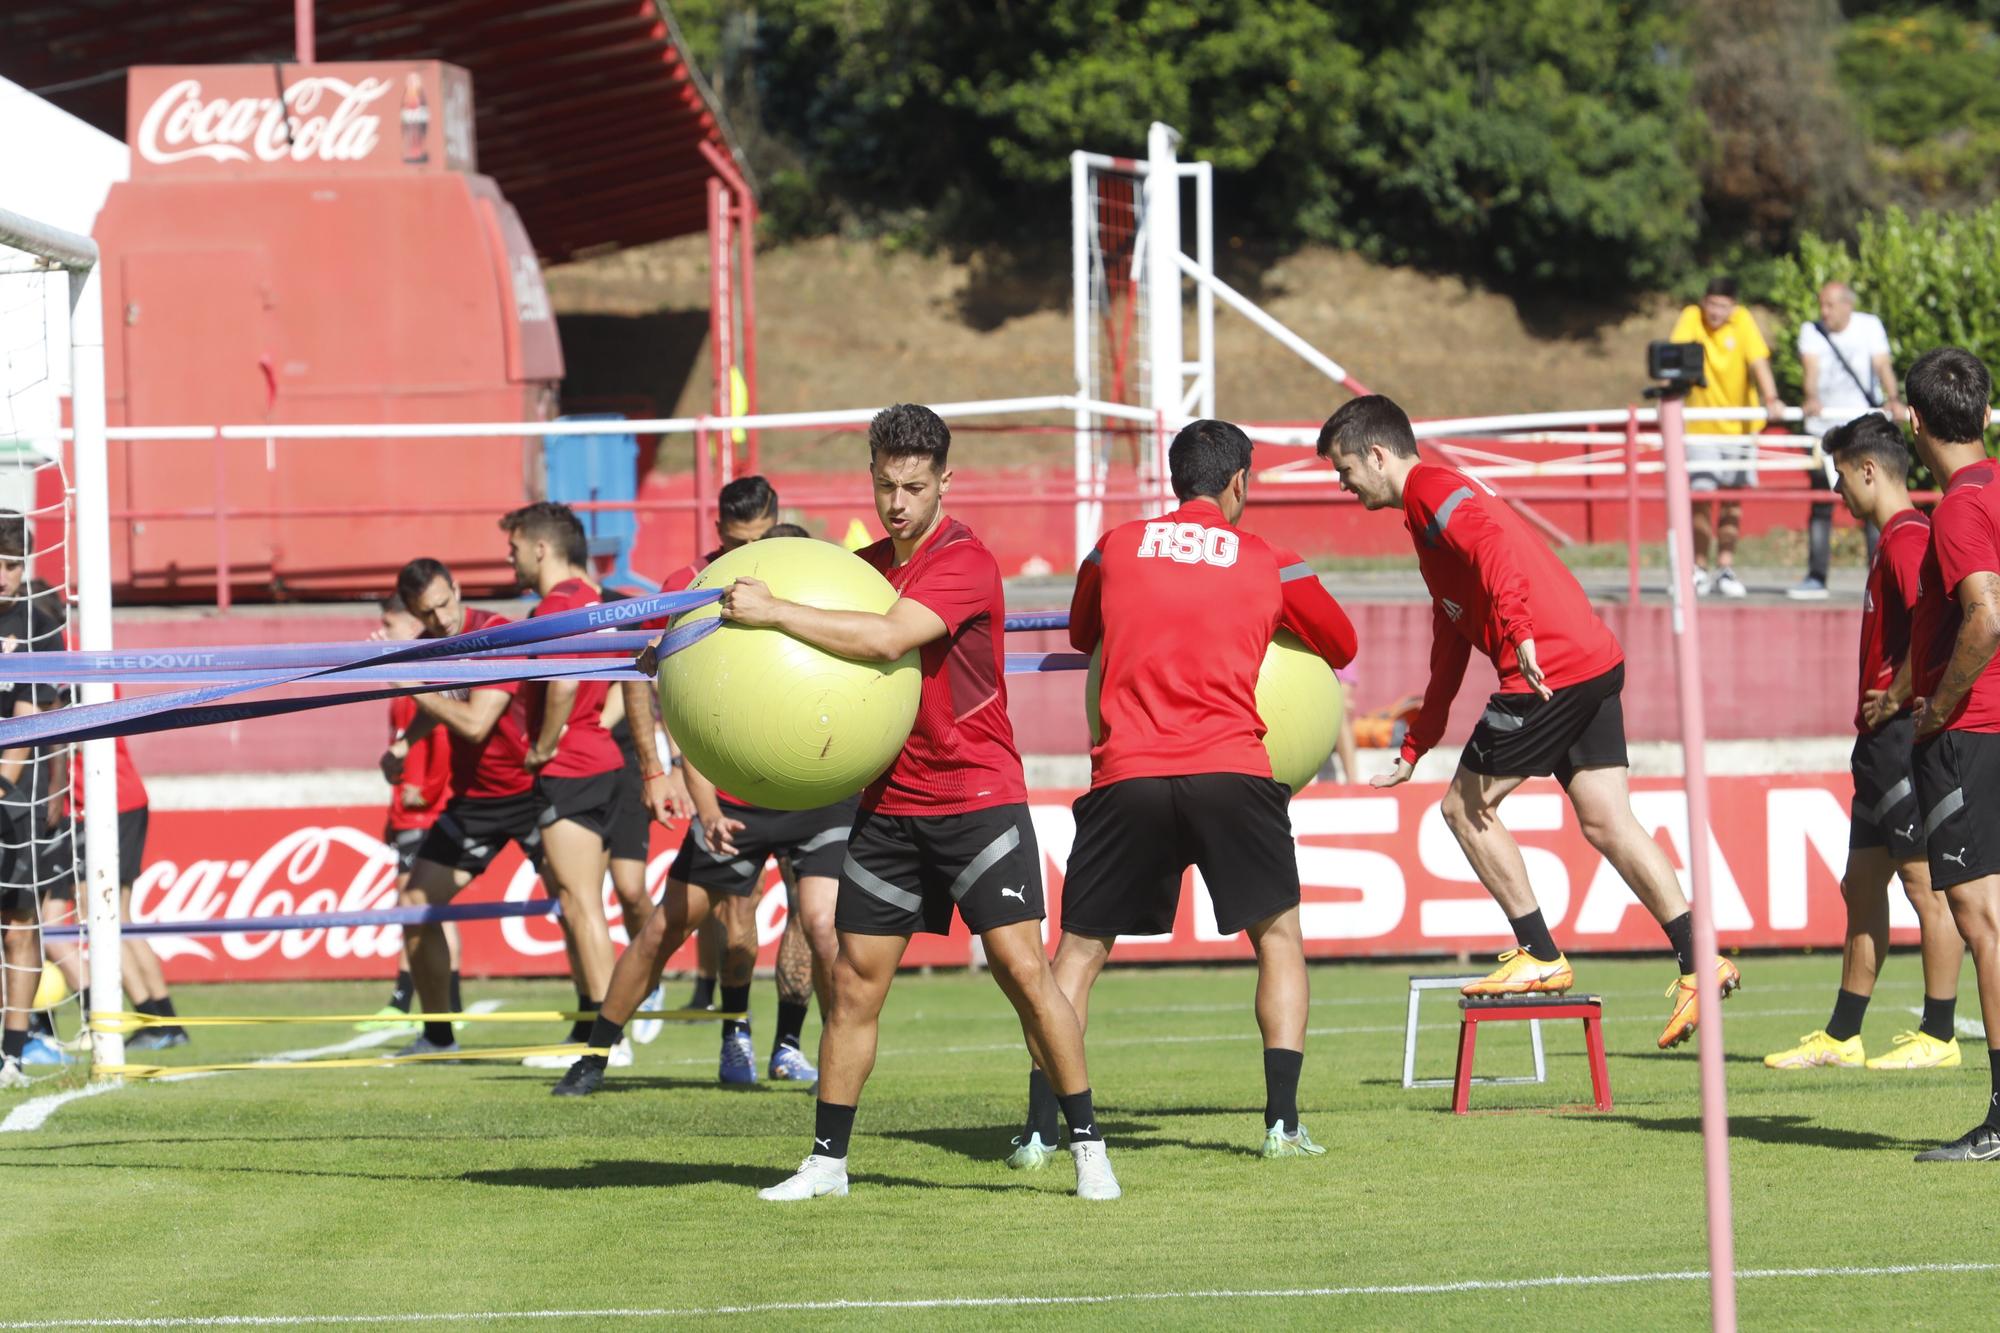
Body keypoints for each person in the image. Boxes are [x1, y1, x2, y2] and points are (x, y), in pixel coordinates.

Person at [719, 402, 1114, 1200]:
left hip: (977, 799)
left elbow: (885, 637)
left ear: (944, 482)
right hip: (890, 806)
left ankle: (1088, 1145)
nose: (898, 502)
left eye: (914, 486)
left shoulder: (964, 560)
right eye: (886, 484)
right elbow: (807, 632)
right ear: (870, 475)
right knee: (855, 982)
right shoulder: (863, 568)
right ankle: (827, 1161)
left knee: (1023, 972)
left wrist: (774, 609)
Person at [1317, 396, 1741, 1049]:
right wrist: (1418, 740)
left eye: (1345, 469)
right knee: (1607, 818)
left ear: (1378, 454)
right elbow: (1451, 633)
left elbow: (1491, 548)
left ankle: (1539, 951)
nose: (1343, 485)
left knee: (1463, 810)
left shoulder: (1432, 488)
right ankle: (1699, 958)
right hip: (1589, 660)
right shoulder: (1426, 516)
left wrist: (1520, 636)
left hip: (1548, 669)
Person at [1010, 419, 1357, 1167]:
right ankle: (1282, 1124)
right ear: (1238, 483)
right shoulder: (1272, 559)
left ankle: (1042, 1130)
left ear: (1175, 479)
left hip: (1129, 771)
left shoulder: (1114, 545)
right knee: (1277, 941)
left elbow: (1079, 633)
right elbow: (1343, 644)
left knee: (1077, 954)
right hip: (1232, 769)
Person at [1766, 413, 1963, 1070]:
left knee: (1925, 883)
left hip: (1902, 736)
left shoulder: (1909, 538)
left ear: (1869, 470)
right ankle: (1843, 1033)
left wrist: (1900, 692)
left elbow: (1934, 628)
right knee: (1863, 884)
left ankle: (1939, 1034)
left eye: (1842, 476)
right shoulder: (1894, 539)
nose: (1839, 493)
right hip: (1878, 742)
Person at [1898, 347, 2000, 1160]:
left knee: (1981, 917)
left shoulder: (1960, 507)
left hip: (1972, 731)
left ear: (1914, 421)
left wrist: (1938, 704)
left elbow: (1985, 617)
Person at [499, 502, 643, 1071]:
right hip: (603, 762)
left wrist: (544, 744)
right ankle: (596, 1027)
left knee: (583, 905)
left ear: (540, 548)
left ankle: (608, 1039)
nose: (510, 560)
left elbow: (559, 683)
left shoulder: (557, 607)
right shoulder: (598, 603)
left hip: (569, 769)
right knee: (578, 902)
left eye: (513, 550)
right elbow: (619, 683)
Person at [651, 476, 779, 1017]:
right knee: (726, 908)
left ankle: (790, 1041)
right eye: (736, 544)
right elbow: (652, 679)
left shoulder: (806, 573)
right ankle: (730, 1021)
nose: (749, 556)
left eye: (761, 540)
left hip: (801, 766)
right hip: (720, 772)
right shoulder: (684, 585)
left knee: (819, 920)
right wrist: (664, 765)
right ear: (718, 531)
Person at [358, 594, 461, 1033]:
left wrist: (428, 791)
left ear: (412, 627)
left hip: (425, 811)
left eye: (388, 625)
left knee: (419, 906)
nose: (378, 633)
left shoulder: (421, 677)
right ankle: (430, 1006)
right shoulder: (403, 680)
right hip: (408, 811)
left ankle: (412, 1003)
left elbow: (443, 730)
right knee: (422, 907)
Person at [1669, 277, 1787, 598]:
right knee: (1702, 501)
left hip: (1739, 429)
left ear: (1732, 306)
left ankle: (1725, 566)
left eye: (1724, 305)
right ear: (1703, 301)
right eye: (1712, 303)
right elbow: (1675, 357)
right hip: (1700, 429)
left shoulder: (1743, 321)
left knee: (1733, 502)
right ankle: (1698, 568)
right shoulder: (1691, 318)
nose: (1717, 311)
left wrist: (1772, 397)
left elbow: (1758, 361)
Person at [0, 513, 64, 1086]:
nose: (3, 575)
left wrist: (5, 781)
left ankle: (12, 1053)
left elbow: (37, 713)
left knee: (19, 924)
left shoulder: (39, 625)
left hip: (13, 797)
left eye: (14, 564)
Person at [1793, 283, 1902, 600]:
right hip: (1824, 430)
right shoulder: (1811, 331)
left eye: (1830, 305)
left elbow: (1882, 365)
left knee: (1874, 503)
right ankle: (1816, 576)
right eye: (1821, 305)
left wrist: (1893, 398)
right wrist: (1810, 397)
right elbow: (1810, 369)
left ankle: (1879, 573)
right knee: (1821, 503)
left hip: (1863, 430)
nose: (1824, 312)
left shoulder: (1869, 326)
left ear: (1847, 305)